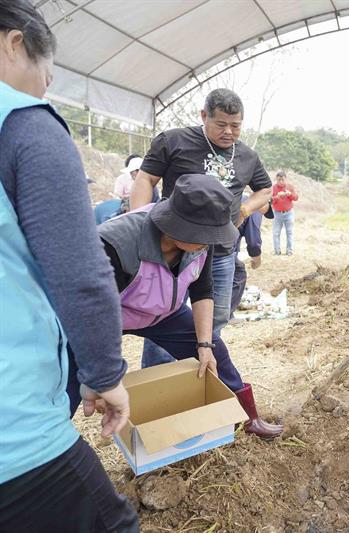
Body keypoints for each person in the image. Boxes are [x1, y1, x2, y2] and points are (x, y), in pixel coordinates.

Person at [0, 3, 138, 530]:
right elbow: (81, 275)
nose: (42, 92)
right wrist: (105, 374)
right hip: (15, 430)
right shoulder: (23, 126)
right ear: (15, 44)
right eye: (46, 76)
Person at [96, 174, 283, 440]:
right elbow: (95, 315)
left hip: (163, 314)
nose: (209, 243)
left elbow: (202, 289)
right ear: (175, 226)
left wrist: (204, 345)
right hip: (110, 315)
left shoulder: (200, 243)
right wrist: (104, 375)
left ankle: (246, 417)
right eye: (205, 236)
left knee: (216, 351)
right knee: (68, 377)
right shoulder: (115, 243)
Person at [131, 88, 271, 337]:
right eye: (221, 124)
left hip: (221, 253)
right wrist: (140, 220)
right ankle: (162, 373)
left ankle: (203, 368)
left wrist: (245, 209)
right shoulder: (173, 141)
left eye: (235, 126)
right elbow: (145, 179)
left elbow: (265, 190)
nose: (228, 132)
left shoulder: (248, 156)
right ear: (204, 115)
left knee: (215, 319)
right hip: (174, 250)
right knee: (162, 318)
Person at [231, 195, 268, 319]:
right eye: (266, 210)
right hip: (223, 245)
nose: (264, 213)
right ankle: (226, 316)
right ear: (265, 202)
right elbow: (253, 241)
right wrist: (257, 259)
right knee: (238, 274)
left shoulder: (239, 197)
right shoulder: (254, 207)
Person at [271, 171, 298, 255]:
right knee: (276, 233)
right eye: (279, 180)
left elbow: (296, 198)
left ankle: (289, 251)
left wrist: (290, 194)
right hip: (277, 213)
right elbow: (270, 201)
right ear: (276, 179)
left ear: (285, 179)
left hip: (289, 213)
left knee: (289, 232)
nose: (281, 182)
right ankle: (277, 251)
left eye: (282, 180)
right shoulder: (273, 188)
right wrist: (277, 197)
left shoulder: (290, 187)